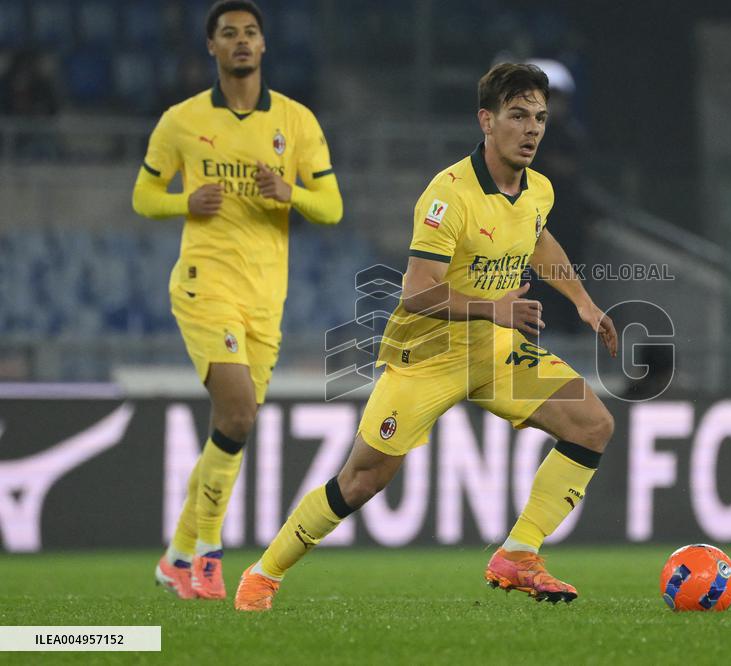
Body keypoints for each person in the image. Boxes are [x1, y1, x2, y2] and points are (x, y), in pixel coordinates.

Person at [234, 63, 618, 612]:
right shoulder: (448, 195)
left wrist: (583, 302)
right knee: (362, 480)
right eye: (517, 116)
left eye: (539, 117)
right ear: (486, 120)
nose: (532, 129)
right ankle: (263, 575)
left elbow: (537, 239)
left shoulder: (539, 190)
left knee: (593, 424)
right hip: (427, 357)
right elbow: (416, 292)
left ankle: (519, 553)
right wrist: (496, 308)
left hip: (497, 352)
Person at [132, 0, 344, 601]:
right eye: (229, 34)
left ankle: (175, 555)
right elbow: (143, 197)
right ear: (213, 48)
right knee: (239, 414)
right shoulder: (182, 120)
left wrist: (292, 192)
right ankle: (206, 555)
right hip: (205, 281)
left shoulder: (297, 122)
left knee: (233, 424)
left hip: (265, 297)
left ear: (264, 45)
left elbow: (333, 208)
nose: (242, 41)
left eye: (251, 32)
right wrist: (184, 203)